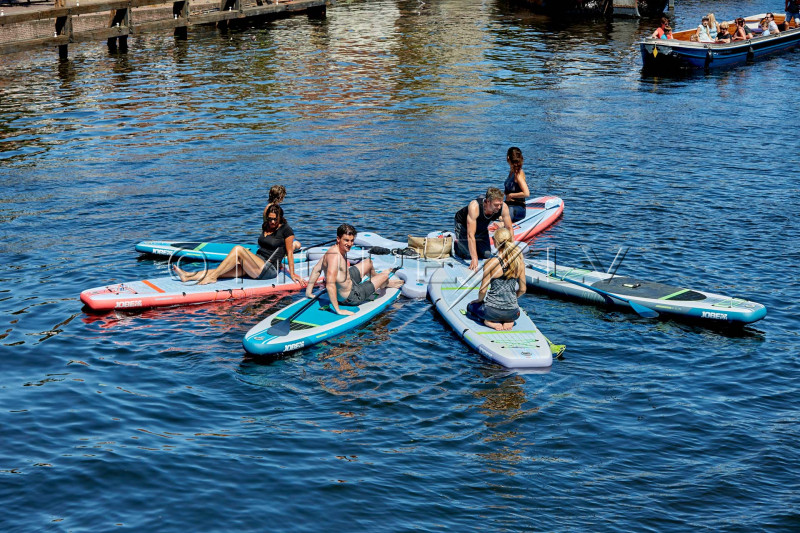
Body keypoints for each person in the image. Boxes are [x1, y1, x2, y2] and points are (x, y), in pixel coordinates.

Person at [173, 205, 305, 286]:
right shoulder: (266, 225)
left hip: (268, 269)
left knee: (238, 250)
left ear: (280, 218)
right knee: (223, 271)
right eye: (269, 218)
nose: (271, 221)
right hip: (256, 262)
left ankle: (212, 278)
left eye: (274, 219)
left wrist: (292, 274)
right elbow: (267, 211)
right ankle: (187, 276)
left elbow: (289, 252)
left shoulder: (286, 230)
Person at [305, 224, 403, 315]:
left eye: (352, 240)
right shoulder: (334, 257)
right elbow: (330, 285)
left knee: (368, 262)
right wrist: (338, 310)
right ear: (338, 239)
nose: (350, 244)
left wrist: (309, 292)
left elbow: (316, 269)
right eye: (346, 240)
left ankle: (379, 280)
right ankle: (385, 283)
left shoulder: (333, 249)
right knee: (384, 276)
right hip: (351, 297)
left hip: (348, 282)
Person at [466, 228, 527, 332]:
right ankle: (508, 320)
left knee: (470, 307)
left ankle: (488, 321)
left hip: (491, 312)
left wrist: (479, 301)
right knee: (508, 312)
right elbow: (523, 289)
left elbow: (483, 290)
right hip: (513, 313)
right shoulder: (519, 262)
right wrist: (511, 299)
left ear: (495, 241)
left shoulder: (491, 263)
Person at [454, 187, 514, 272]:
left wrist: (510, 251)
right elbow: (470, 234)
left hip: (481, 227)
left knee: (486, 254)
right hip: (464, 226)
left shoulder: (503, 207)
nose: (499, 207)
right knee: (468, 255)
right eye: (496, 205)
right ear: (488, 201)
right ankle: (457, 244)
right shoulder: (474, 206)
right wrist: (474, 258)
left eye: (500, 204)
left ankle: (475, 244)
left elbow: (509, 228)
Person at [263, 184, 302, 250]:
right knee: (298, 244)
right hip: (274, 238)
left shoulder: (267, 207)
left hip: (268, 236)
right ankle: (284, 251)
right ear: (280, 197)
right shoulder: (274, 209)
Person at [503, 147, 530, 223]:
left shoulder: (518, 174)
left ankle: (502, 225)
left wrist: (511, 195)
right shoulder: (511, 172)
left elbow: (526, 193)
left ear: (508, 158)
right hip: (508, 205)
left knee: (509, 211)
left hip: (518, 208)